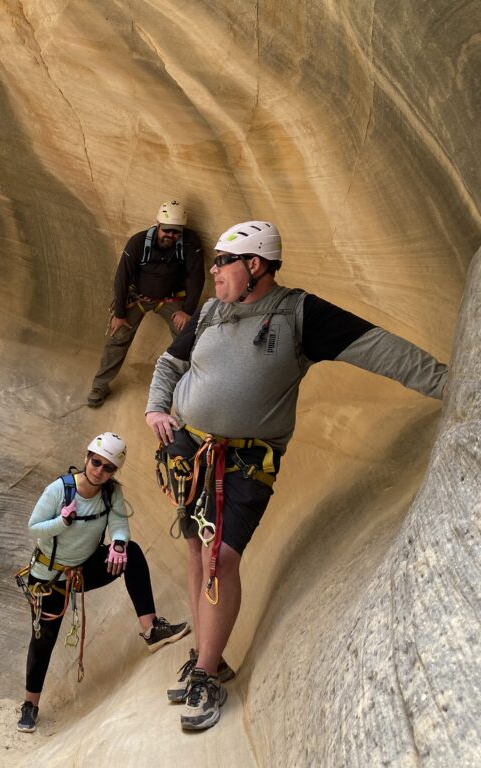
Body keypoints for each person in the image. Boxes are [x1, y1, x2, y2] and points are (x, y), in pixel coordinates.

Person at [145, 221, 448, 731]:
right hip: (190, 450)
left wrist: (450, 382)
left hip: (245, 461)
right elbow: (169, 364)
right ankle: (208, 655)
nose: (213, 270)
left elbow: (378, 348)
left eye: (224, 261)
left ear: (255, 266)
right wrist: (157, 409)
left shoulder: (298, 314)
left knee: (220, 556)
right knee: (198, 549)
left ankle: (205, 675)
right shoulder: (211, 312)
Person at [15, 432, 190, 733]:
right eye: (96, 462)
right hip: (49, 577)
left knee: (132, 553)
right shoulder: (60, 490)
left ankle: (150, 629)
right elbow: (35, 529)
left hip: (82, 570)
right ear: (86, 458)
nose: (99, 470)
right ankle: (30, 704)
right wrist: (62, 521)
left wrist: (119, 545)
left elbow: (120, 525)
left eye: (108, 467)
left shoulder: (111, 493)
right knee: (43, 640)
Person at [88, 200, 205, 407]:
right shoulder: (139, 242)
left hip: (170, 299)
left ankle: (187, 389)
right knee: (119, 337)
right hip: (138, 298)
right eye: (167, 230)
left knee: (187, 335)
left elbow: (197, 277)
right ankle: (100, 385)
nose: (171, 235)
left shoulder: (189, 242)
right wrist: (120, 314)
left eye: (176, 232)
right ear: (158, 225)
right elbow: (121, 278)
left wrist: (187, 311)